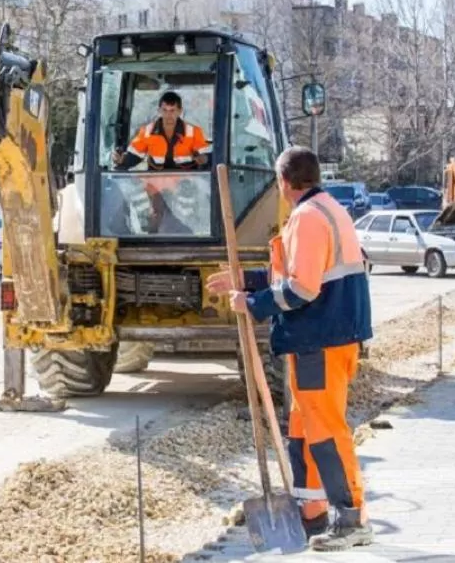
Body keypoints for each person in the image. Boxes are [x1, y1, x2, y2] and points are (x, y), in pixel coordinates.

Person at [205, 146, 374, 551]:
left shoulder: (309, 219)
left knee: (326, 430)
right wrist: (243, 279)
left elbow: (301, 288)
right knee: (304, 428)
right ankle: (312, 511)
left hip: (322, 338)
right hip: (322, 337)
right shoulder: (328, 208)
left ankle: (351, 518)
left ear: (283, 182)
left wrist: (252, 304)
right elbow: (292, 273)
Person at [112, 91, 211, 171]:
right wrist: (122, 160)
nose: (168, 115)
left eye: (172, 110)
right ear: (159, 111)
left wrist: (205, 159)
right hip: (156, 183)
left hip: (187, 184)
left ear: (180, 111)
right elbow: (135, 155)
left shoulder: (194, 132)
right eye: (164, 110)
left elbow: (207, 155)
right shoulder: (146, 132)